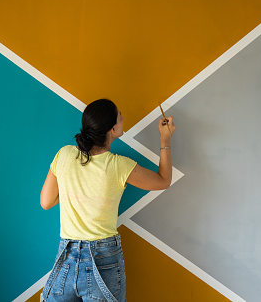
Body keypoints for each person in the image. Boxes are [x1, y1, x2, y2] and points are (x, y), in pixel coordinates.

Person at [40, 98, 176, 302]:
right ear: (112, 129)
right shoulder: (119, 166)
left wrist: (74, 189)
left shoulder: (65, 154)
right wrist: (165, 139)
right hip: (103, 258)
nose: (123, 117)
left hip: (66, 257)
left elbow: (46, 202)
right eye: (119, 115)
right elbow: (163, 181)